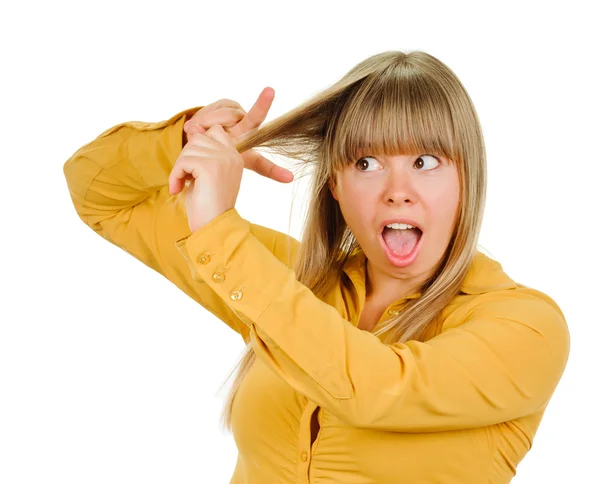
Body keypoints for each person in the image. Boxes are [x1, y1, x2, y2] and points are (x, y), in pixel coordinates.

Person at [63, 50, 570, 483]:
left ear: (468, 180)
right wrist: (181, 147)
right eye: (366, 163)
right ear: (335, 185)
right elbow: (101, 197)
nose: (398, 190)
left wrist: (219, 230)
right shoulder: (292, 280)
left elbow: (374, 389)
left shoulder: (526, 328)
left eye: (426, 161)